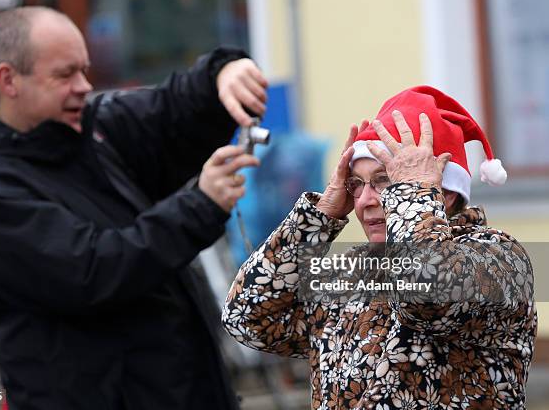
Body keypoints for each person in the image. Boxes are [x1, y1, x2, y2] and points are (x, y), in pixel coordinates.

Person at [0, 6, 269, 410]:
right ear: (8, 80)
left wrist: (222, 74)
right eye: (65, 75)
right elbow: (95, 270)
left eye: (84, 69)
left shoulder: (91, 129)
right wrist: (199, 207)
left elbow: (171, 116)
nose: (84, 86)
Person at [222, 86, 537, 409]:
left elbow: (426, 296)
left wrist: (412, 191)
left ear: (445, 192)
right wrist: (320, 215)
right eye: (356, 184)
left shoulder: (500, 257)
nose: (365, 200)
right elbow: (247, 318)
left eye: (385, 180)